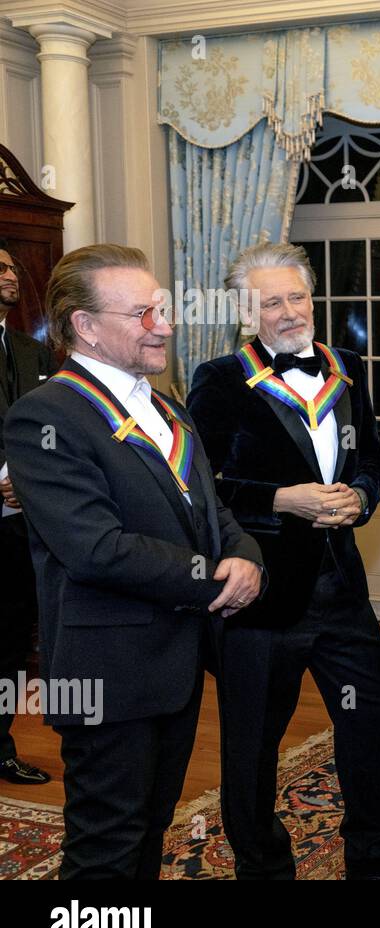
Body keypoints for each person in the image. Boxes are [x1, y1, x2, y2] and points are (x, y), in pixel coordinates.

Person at [3, 244, 263, 878]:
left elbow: (213, 511)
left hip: (174, 661)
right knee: (106, 850)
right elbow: (95, 548)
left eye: (164, 309)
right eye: (143, 314)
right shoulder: (46, 415)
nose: (165, 326)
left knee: (150, 830)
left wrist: (247, 557)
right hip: (106, 674)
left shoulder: (168, 407)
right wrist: (212, 579)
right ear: (85, 326)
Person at [187, 243, 380, 880]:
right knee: (252, 747)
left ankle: (372, 857)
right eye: (271, 302)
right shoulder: (221, 379)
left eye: (297, 297)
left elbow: (372, 457)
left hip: (341, 591)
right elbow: (198, 486)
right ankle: (264, 866)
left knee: (371, 718)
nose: (289, 312)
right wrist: (281, 499)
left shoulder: (347, 366)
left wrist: (361, 498)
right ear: (244, 313)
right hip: (259, 598)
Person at [0, 240, 53, 785]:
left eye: (12, 267)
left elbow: (45, 430)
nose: (11, 275)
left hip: (20, 529)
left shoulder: (32, 351)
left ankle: (1, 744)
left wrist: (28, 479)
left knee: (12, 642)